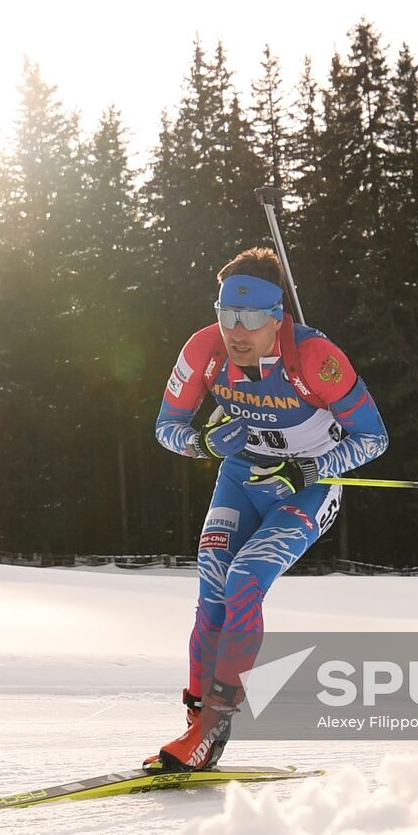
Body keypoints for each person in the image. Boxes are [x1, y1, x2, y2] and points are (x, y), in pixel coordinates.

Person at [146, 246, 388, 772]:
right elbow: (166, 427)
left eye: (251, 318)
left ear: (277, 318)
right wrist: (205, 446)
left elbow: (374, 437)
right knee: (212, 585)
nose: (237, 330)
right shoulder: (204, 350)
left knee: (245, 579)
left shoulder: (315, 359)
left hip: (306, 486)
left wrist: (316, 465)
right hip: (242, 476)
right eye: (227, 314)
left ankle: (215, 727)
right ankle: (194, 723)